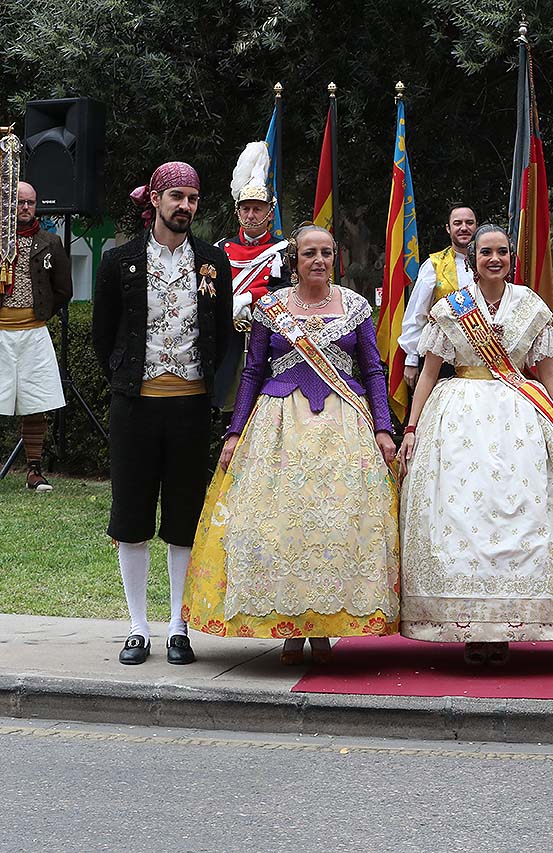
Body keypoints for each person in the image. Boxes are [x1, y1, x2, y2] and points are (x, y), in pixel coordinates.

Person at [397, 224, 553, 664]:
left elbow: (548, 371)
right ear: (472, 259)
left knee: (521, 517)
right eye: (486, 252)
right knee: (461, 518)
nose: (494, 259)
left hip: (520, 419)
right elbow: (428, 372)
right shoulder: (450, 309)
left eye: (502, 252)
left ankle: (509, 625)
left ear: (511, 257)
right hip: (458, 421)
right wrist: (411, 427)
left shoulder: (529, 306)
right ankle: (470, 627)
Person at [183, 225, 400, 664]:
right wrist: (234, 431)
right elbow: (252, 372)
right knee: (279, 526)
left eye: (325, 253)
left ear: (334, 257)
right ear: (294, 260)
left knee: (335, 527)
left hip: (343, 427)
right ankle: (288, 627)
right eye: (308, 254)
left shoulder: (355, 307)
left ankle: (322, 628)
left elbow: (373, 370)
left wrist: (383, 428)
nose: (317, 261)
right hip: (277, 427)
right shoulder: (271, 309)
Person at [92, 161, 233, 666]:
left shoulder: (213, 261)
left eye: (193, 198)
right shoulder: (119, 261)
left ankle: (178, 625)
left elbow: (221, 336)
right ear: (154, 199)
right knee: (130, 516)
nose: (186, 206)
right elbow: (101, 336)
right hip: (135, 407)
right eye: (176, 196)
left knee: (183, 518)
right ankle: (136, 627)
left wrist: (200, 386)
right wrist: (129, 380)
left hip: (191, 409)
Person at [0, 181, 71, 493]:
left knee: (36, 403)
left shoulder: (50, 242)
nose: (25, 208)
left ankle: (35, 471)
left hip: (33, 333)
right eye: (19, 202)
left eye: (31, 203)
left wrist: (38, 315)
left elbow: (63, 290)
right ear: (8, 205)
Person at [211, 141, 289, 409]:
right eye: (246, 209)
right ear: (237, 211)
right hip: (226, 340)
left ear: (270, 213)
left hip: (266, 339)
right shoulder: (220, 249)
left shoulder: (283, 250)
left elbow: (285, 291)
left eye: (258, 209)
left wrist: (249, 297)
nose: (251, 215)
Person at [396, 204, 476, 394]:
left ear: (476, 227)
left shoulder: (490, 263)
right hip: (442, 359)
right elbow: (417, 314)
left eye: (469, 222)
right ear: (448, 229)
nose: (464, 228)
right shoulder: (434, 265)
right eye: (457, 223)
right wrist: (412, 359)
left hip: (483, 359)